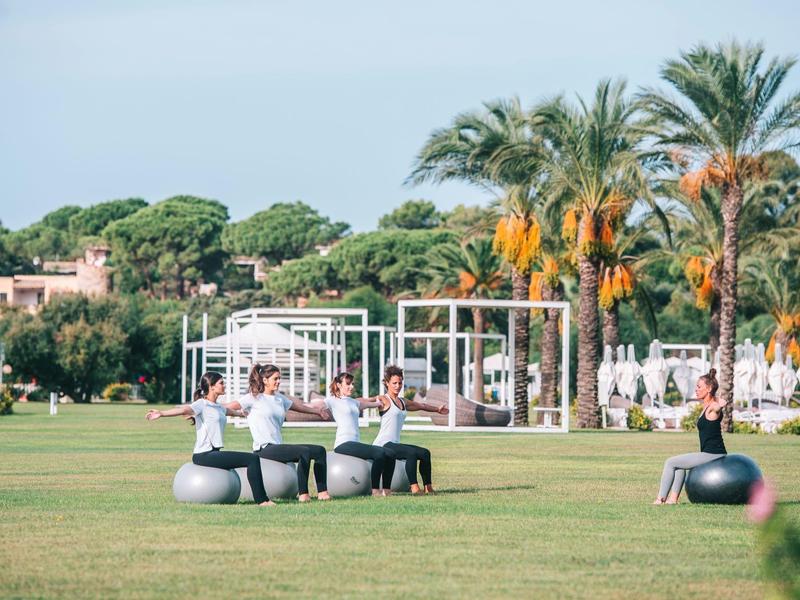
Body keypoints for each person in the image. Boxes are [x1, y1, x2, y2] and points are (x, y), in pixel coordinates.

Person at [145, 371, 275, 507]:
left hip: (215, 453)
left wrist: (242, 414)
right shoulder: (201, 404)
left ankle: (262, 499)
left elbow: (230, 411)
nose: (224, 385)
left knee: (251, 459)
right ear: (212, 387)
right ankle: (262, 500)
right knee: (252, 459)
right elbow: (184, 410)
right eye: (221, 383)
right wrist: (161, 413)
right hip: (203, 455)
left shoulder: (219, 407)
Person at [226, 364, 332, 502]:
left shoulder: (280, 398)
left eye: (279, 378)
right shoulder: (253, 398)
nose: (278, 381)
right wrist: (206, 407)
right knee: (304, 452)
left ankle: (322, 492)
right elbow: (227, 407)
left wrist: (317, 411)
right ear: (265, 380)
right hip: (263, 448)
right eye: (275, 378)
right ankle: (303, 494)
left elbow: (299, 407)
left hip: (277, 446)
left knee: (319, 451)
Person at [371, 365, 449, 495]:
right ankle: (414, 488)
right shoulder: (383, 399)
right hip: (383, 444)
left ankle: (428, 487)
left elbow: (421, 405)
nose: (397, 386)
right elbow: (367, 401)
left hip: (394, 443)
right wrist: (349, 402)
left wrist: (437, 410)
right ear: (387, 383)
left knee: (425, 453)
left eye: (400, 383)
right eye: (394, 383)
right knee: (410, 453)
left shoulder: (403, 401)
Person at [654, 369, 728, 505]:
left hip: (713, 454)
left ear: (709, 388)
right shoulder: (706, 406)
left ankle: (660, 499)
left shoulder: (712, 407)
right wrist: (718, 401)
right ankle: (672, 500)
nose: (696, 389)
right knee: (679, 466)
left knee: (670, 462)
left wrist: (721, 405)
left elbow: (717, 409)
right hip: (709, 453)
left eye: (699, 387)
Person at [316, 371, 395, 497]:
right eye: (348, 384)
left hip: (354, 443)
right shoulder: (332, 401)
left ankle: (387, 489)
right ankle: (375, 490)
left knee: (390, 453)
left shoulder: (353, 402)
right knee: (379, 453)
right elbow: (316, 404)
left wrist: (380, 402)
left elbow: (370, 404)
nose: (351, 386)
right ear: (339, 385)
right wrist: (314, 409)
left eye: (352, 384)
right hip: (343, 443)